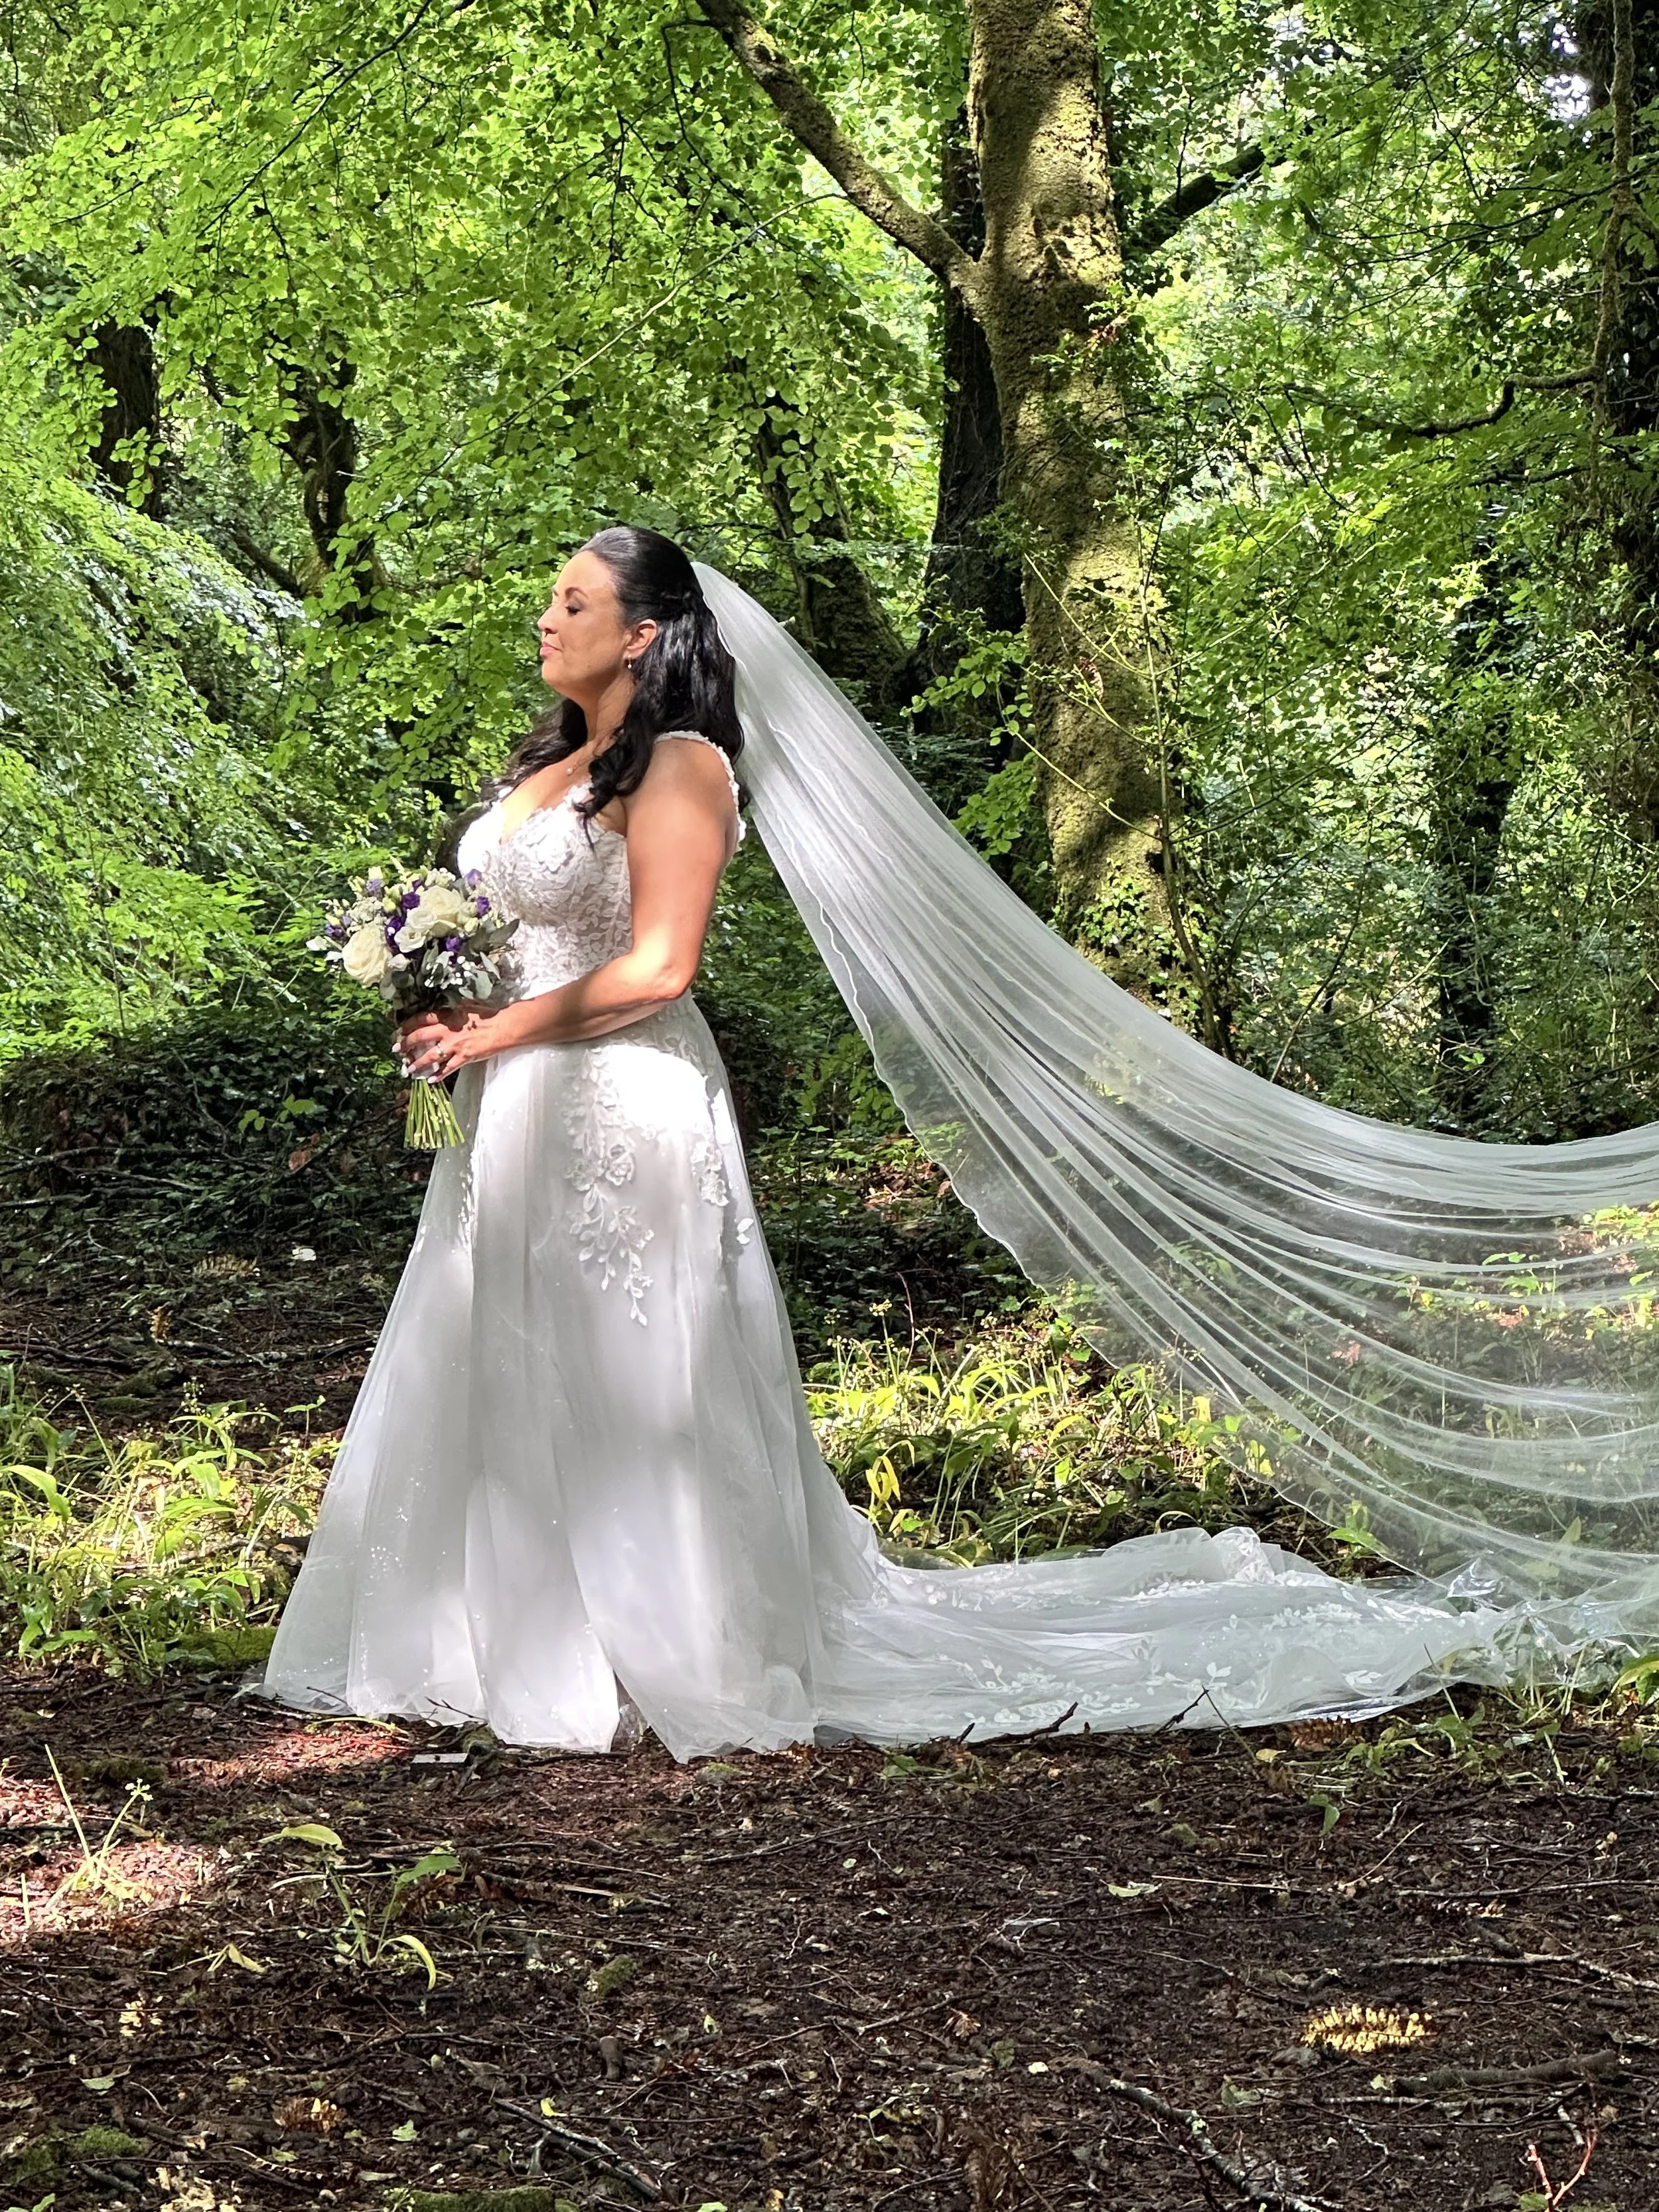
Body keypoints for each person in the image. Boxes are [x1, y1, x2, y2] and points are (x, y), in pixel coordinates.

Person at [260, 526, 1516, 1759]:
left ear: (643, 635)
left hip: (616, 1101)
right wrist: (443, 1000)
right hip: (517, 1098)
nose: (548, 619)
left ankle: (659, 1644)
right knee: (500, 1334)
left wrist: (497, 1032)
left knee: (629, 1366)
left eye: (575, 604)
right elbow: (509, 925)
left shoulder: (684, 765)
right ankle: (490, 1639)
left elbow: (659, 966)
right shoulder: (542, 766)